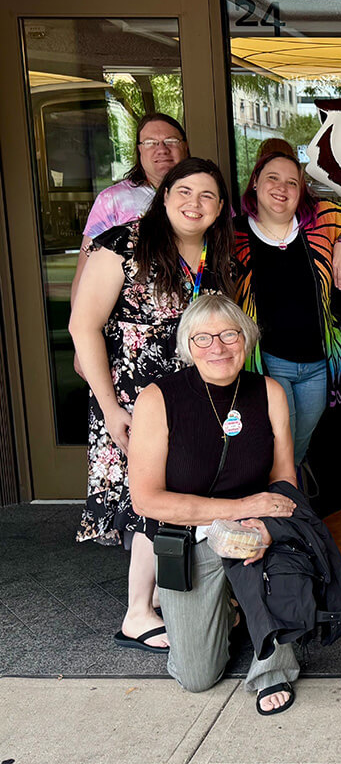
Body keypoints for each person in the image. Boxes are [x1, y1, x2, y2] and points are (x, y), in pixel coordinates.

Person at [69, 157, 235, 654]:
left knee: (177, 498)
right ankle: (136, 614)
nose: (194, 203)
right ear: (164, 197)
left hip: (190, 398)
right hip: (134, 403)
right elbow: (83, 327)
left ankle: (165, 596)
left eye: (207, 196)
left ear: (220, 207)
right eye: (183, 192)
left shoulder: (217, 252)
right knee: (149, 504)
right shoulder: (124, 243)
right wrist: (111, 407)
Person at [126, 295, 300, 715]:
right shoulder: (158, 398)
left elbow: (285, 478)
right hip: (190, 538)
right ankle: (230, 611)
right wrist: (235, 508)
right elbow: (146, 499)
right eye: (202, 338)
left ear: (247, 339)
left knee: (278, 554)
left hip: (253, 531)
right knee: (197, 676)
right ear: (187, 344)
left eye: (228, 334)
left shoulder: (269, 391)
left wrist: (263, 526)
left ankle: (272, 669)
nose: (217, 347)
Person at [233, 151, 341, 467]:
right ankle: (287, 504)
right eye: (273, 178)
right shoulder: (234, 234)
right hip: (270, 363)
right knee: (282, 443)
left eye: (292, 182)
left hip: (319, 365)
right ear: (255, 183)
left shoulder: (320, 222)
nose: (282, 188)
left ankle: (290, 498)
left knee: (299, 444)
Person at [69, 113, 189, 307]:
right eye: (150, 142)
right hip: (135, 323)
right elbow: (85, 273)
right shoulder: (113, 201)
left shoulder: (206, 194)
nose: (162, 149)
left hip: (203, 323)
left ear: (185, 146)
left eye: (171, 140)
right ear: (139, 150)